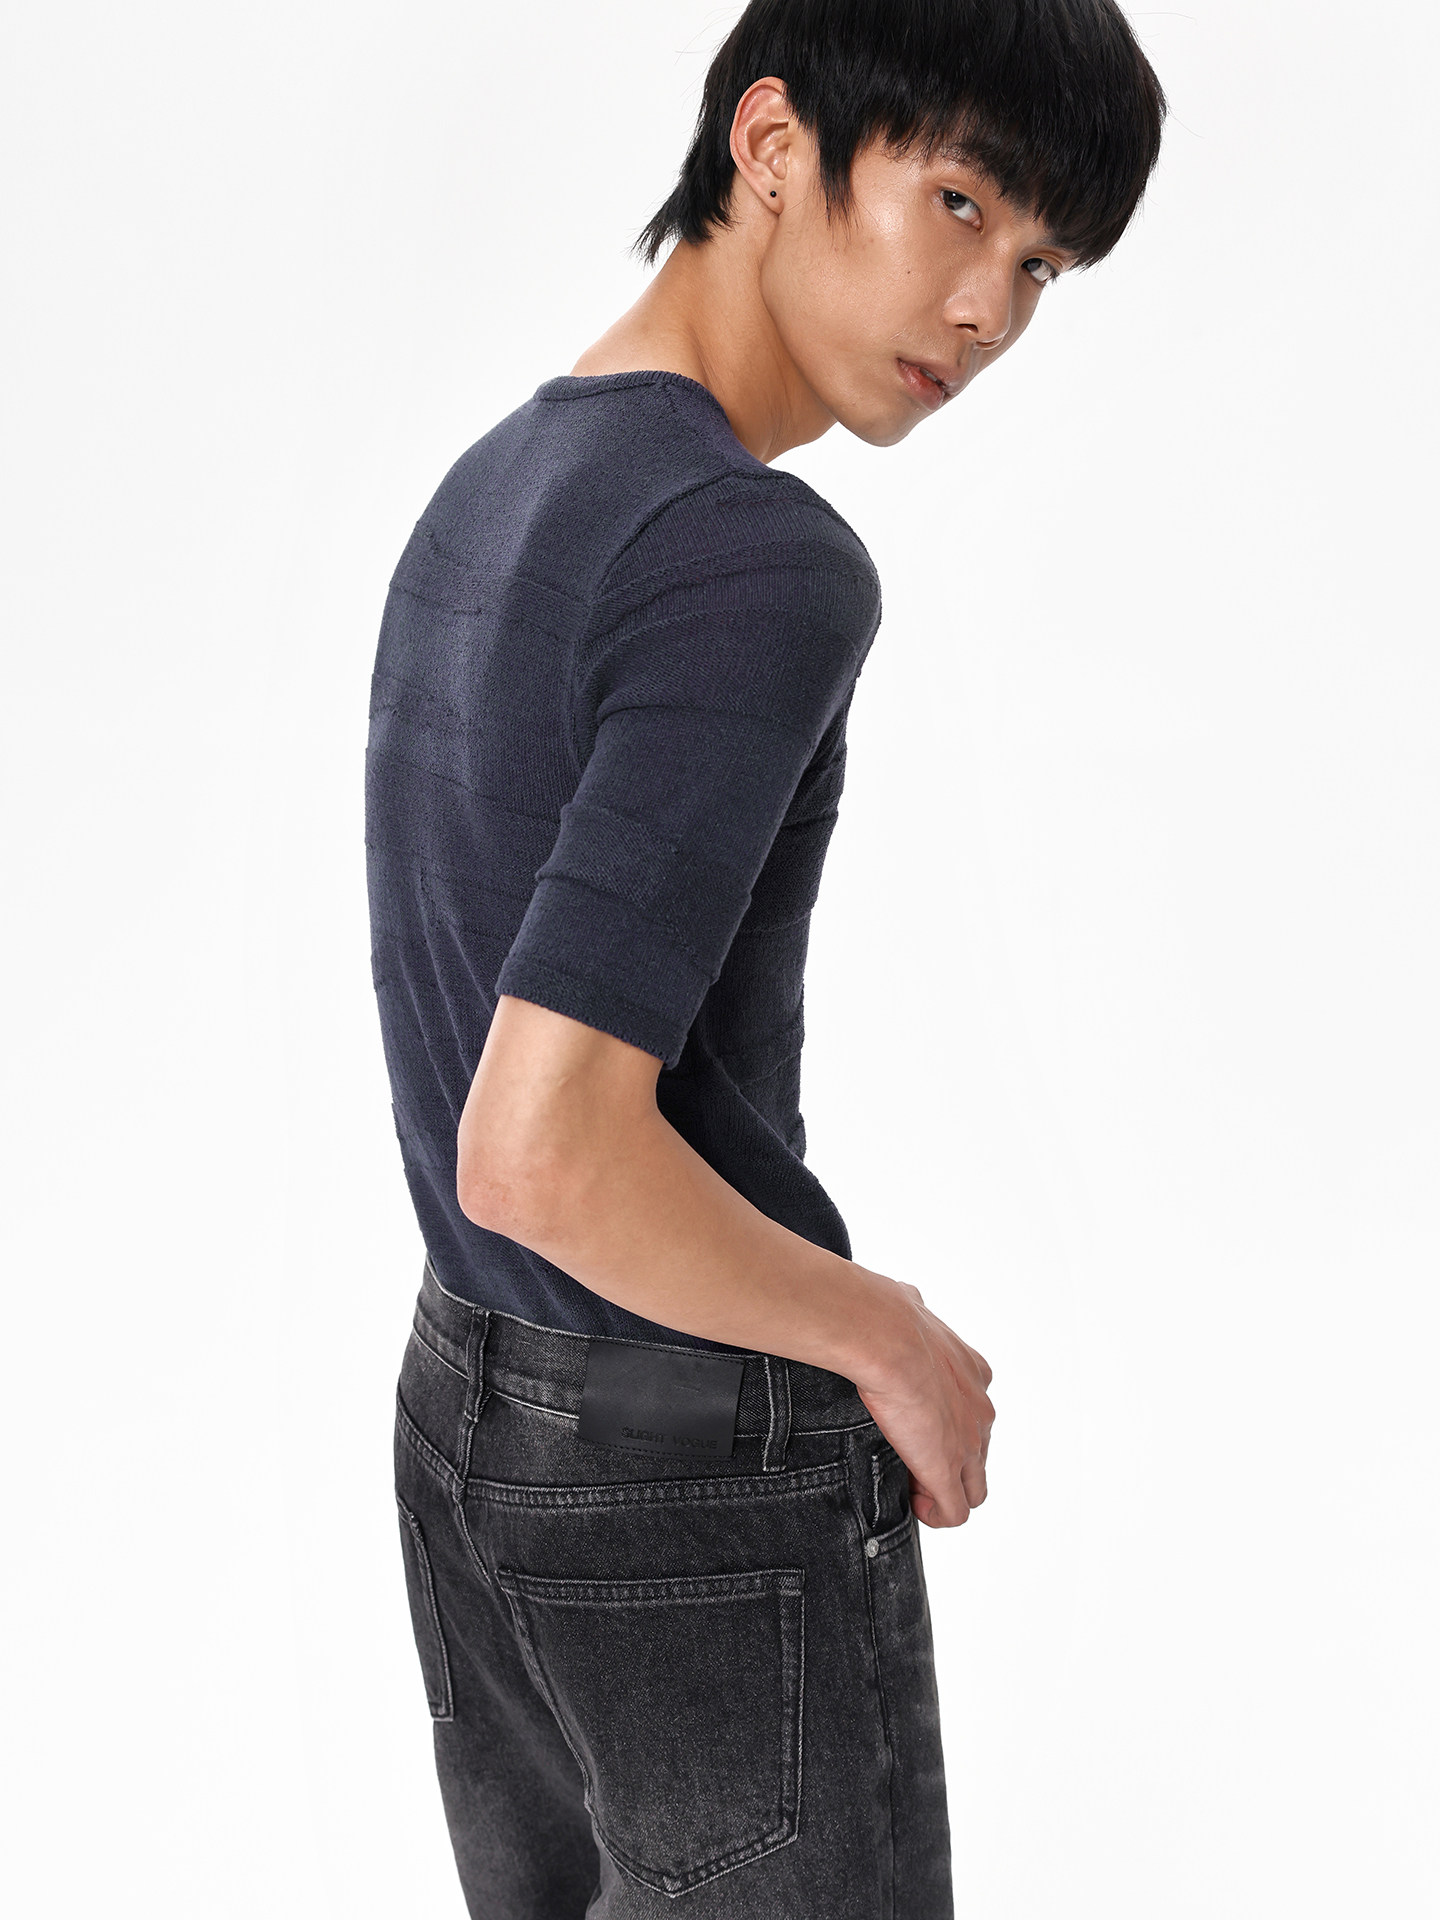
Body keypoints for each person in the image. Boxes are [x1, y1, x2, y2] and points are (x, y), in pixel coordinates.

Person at [365, 1, 1165, 1912]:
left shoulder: (492, 489)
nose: (988, 308)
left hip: (468, 1416)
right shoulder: (753, 555)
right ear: (777, 145)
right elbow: (540, 1149)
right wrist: (888, 1337)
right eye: (960, 202)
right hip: (683, 1477)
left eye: (1040, 264)